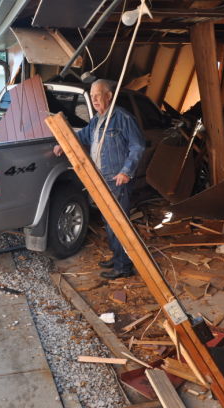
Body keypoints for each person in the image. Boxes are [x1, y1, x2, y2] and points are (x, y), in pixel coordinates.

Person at [54, 79, 145, 279]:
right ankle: (119, 257)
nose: (94, 99)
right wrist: (64, 144)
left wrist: (126, 171)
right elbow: (84, 137)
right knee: (109, 223)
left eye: (98, 95)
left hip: (117, 180)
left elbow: (137, 146)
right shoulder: (98, 119)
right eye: (92, 95)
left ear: (109, 96)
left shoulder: (122, 118)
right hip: (102, 179)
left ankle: (123, 267)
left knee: (118, 224)